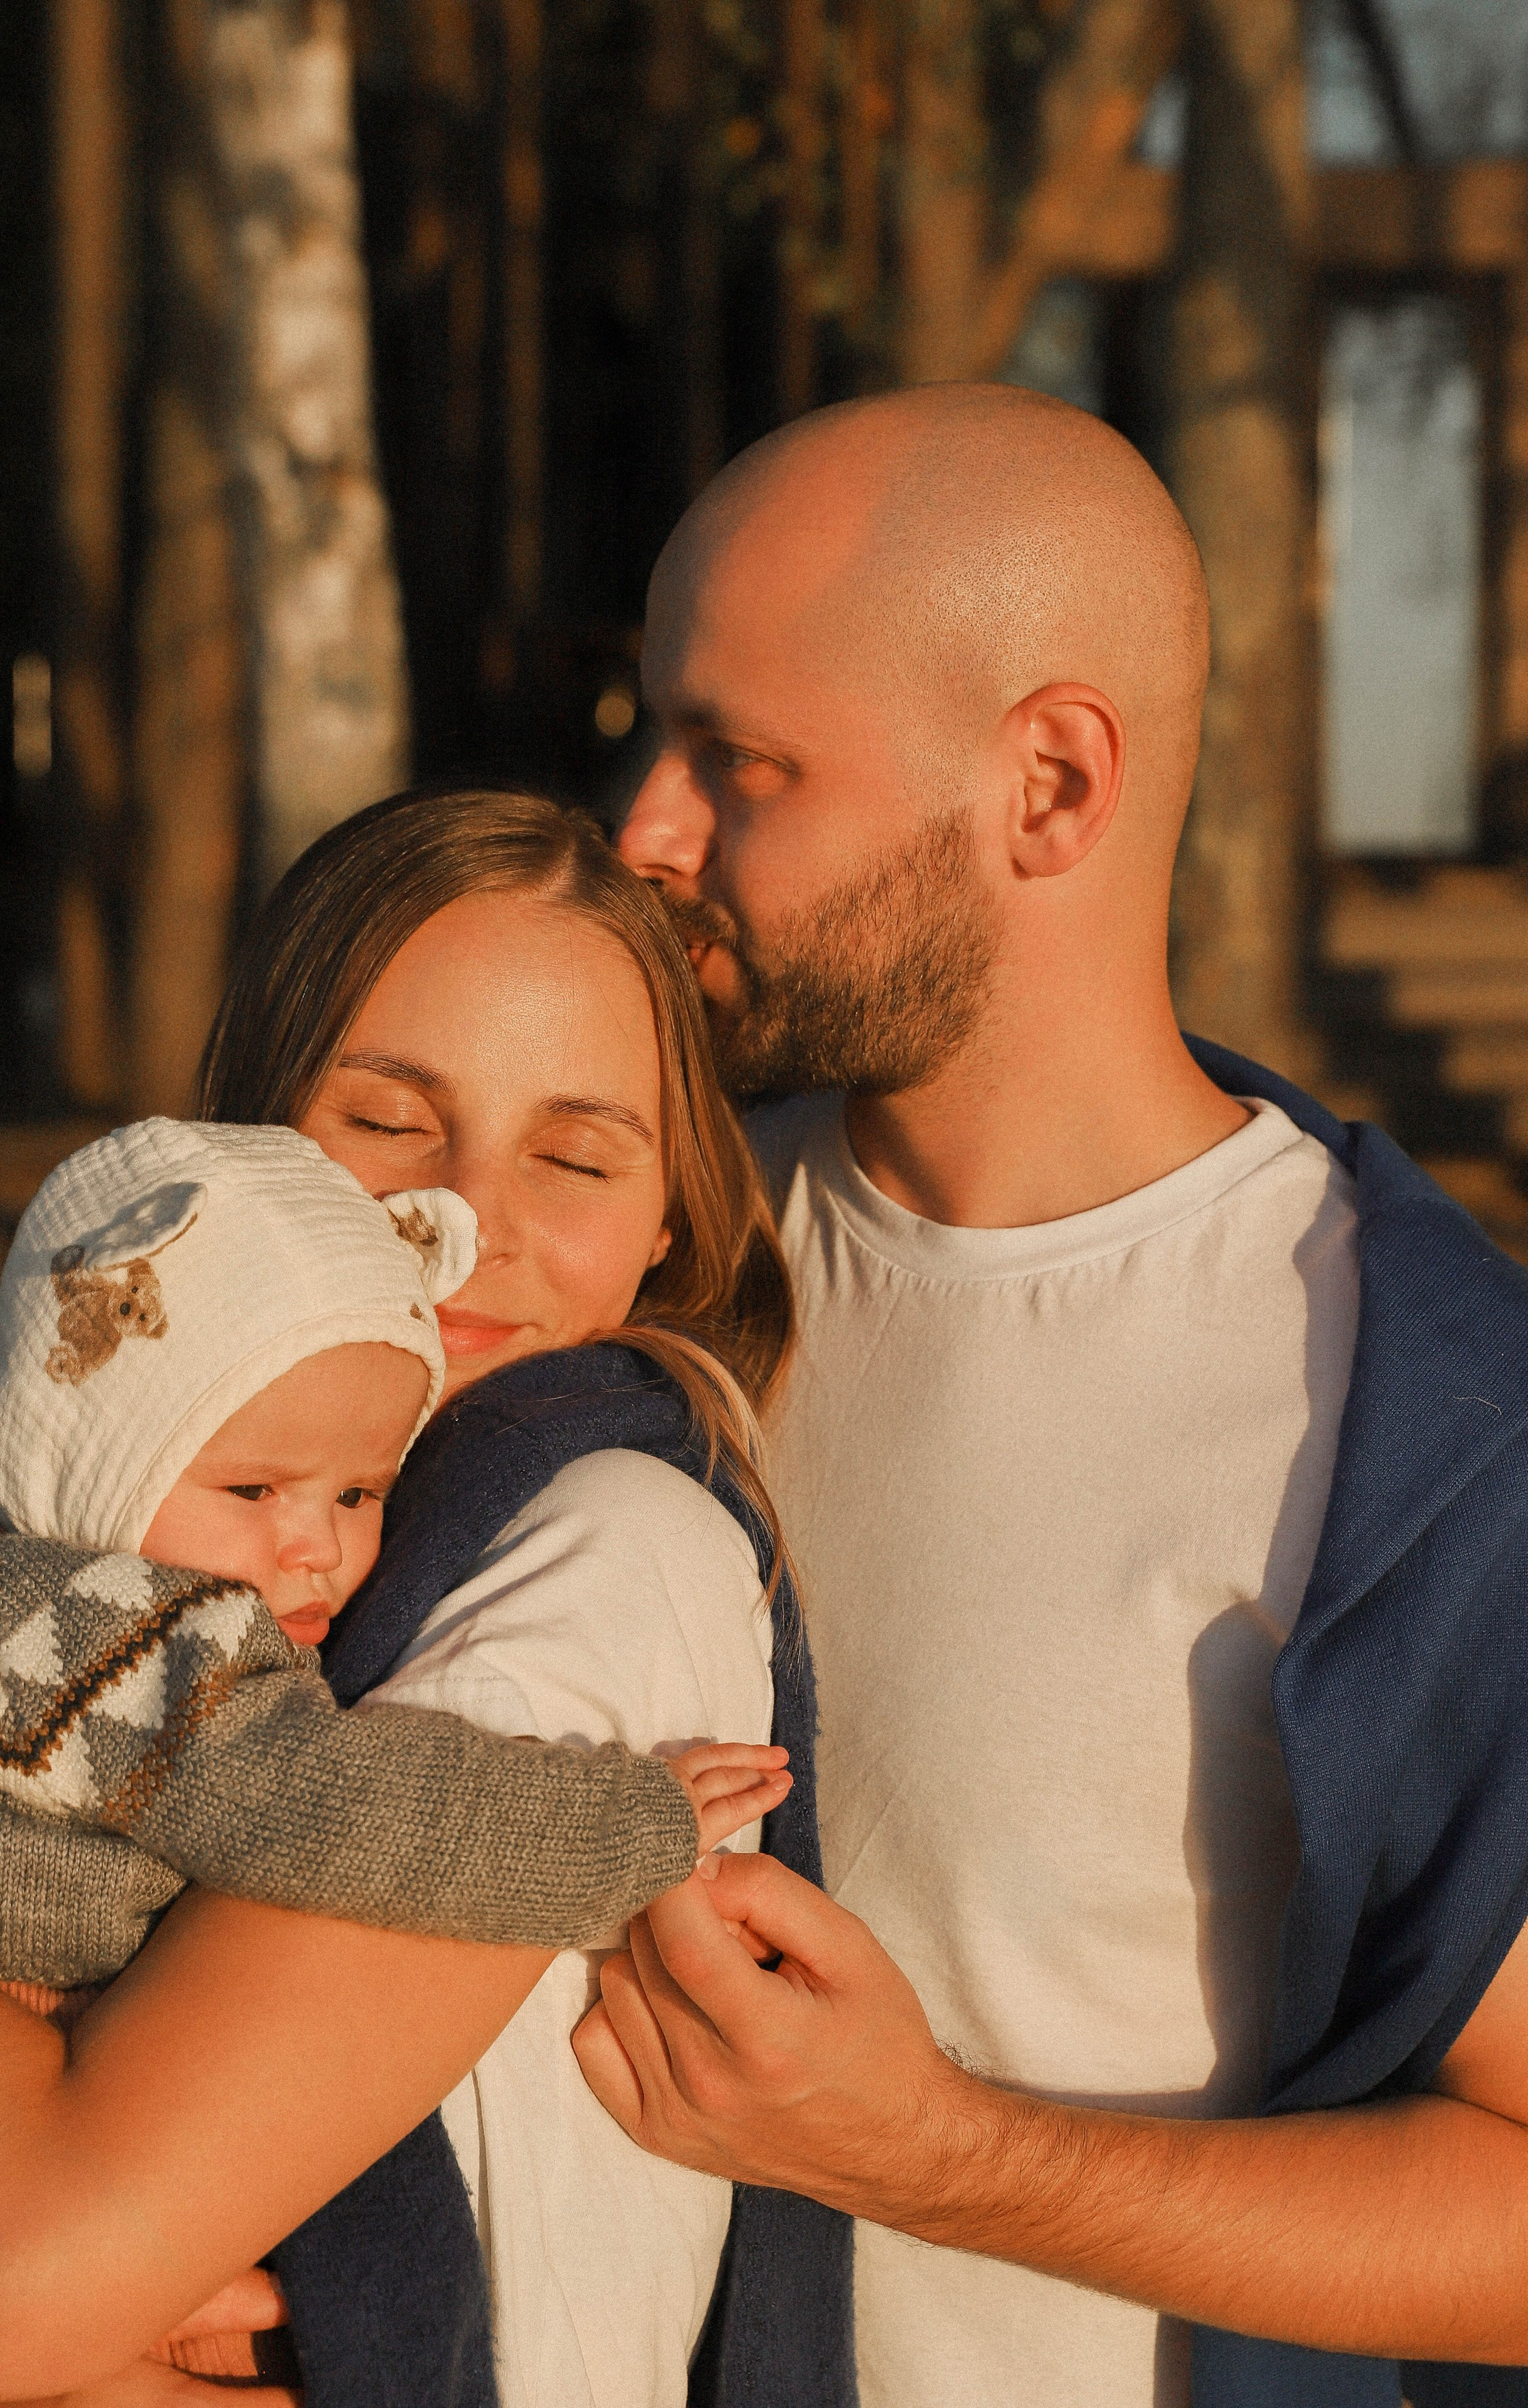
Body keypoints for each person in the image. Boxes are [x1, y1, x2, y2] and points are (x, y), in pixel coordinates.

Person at [571, 379, 1528, 2408]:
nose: (642, 833)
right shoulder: (617, 1263)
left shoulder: (1427, 1427)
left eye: (736, 760)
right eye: (647, 735)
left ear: (1053, 788)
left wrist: (935, 2157)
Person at [0, 792, 849, 2408]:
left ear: (668, 1218)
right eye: (390, 1124)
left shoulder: (597, 1548)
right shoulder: (126, 1515)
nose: (466, 1225)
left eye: (571, 1154)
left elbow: (18, 2276)